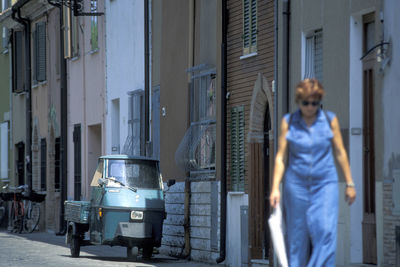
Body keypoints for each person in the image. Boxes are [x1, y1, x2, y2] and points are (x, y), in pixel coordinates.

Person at [269, 78, 356, 266]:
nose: (310, 107)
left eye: (315, 103)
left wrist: (349, 183)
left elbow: (340, 152)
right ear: (298, 101)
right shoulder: (289, 122)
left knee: (325, 231)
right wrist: (275, 188)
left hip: (325, 183)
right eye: (306, 102)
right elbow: (281, 158)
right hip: (296, 185)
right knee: (297, 239)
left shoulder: (329, 120)